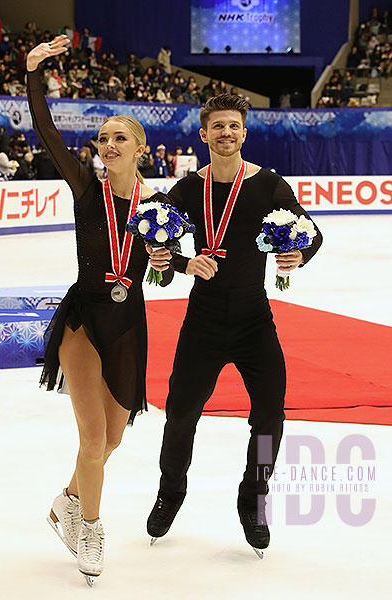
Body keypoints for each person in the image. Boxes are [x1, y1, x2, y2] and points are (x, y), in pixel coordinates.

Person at [146, 94, 323, 557]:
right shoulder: (188, 188)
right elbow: (149, 233)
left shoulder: (268, 185)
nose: (226, 133)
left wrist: (298, 254)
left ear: (244, 133)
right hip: (203, 317)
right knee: (181, 411)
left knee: (270, 413)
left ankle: (255, 494)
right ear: (204, 135)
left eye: (234, 126)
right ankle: (171, 489)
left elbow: (311, 230)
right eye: (217, 126)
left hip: (253, 319)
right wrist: (179, 260)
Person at [26, 34, 173, 585]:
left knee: (112, 438)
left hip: (129, 322)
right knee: (92, 440)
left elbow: (163, 260)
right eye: (102, 138)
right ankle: (88, 526)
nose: (107, 144)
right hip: (86, 320)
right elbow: (46, 131)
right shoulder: (87, 188)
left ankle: (65, 500)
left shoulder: (156, 207)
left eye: (119, 138)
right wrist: (34, 72)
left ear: (141, 149)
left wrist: (181, 265)